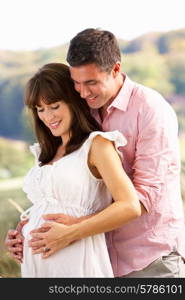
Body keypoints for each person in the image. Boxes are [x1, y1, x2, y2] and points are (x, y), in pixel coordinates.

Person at [6, 28, 185, 278]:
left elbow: (144, 198)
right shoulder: (82, 109)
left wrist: (71, 230)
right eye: (76, 83)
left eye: (91, 82)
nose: (83, 92)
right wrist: (29, 230)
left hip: (148, 260)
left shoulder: (150, 110)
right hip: (97, 261)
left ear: (115, 70)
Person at [8, 62, 140, 277]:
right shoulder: (44, 154)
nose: (48, 117)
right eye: (40, 109)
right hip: (37, 267)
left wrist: (69, 233)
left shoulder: (97, 145)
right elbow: (46, 208)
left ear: (73, 100)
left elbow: (129, 206)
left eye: (54, 106)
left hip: (76, 261)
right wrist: (22, 232)